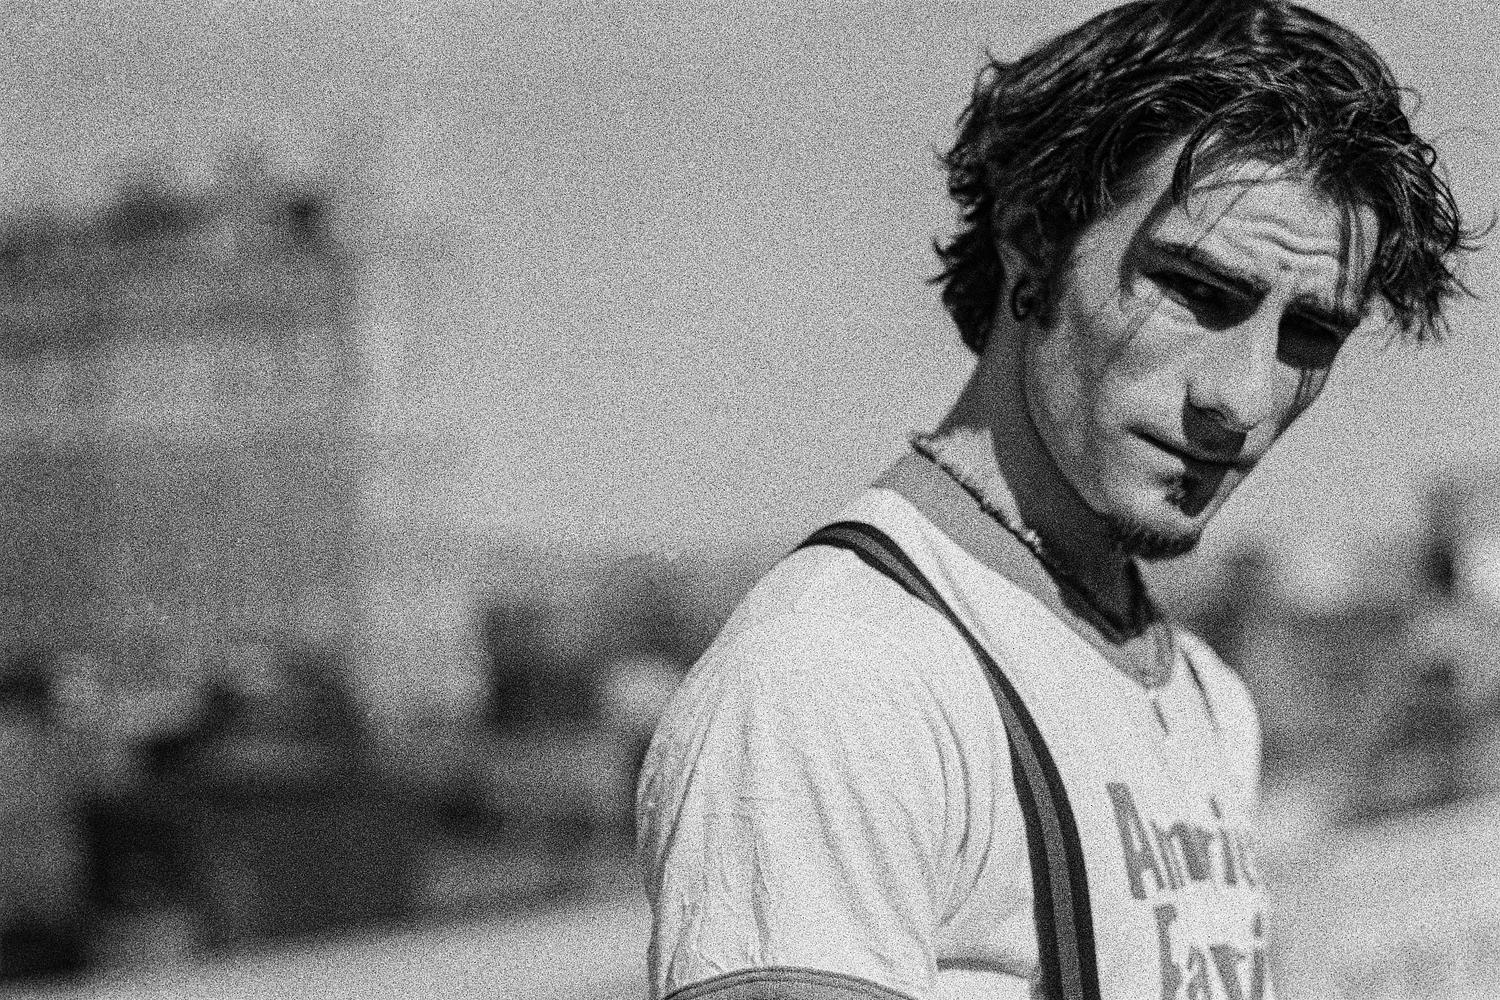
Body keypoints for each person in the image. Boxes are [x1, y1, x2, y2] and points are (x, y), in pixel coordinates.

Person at [636, 2, 1475, 998]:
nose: (1244, 398)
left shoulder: (1204, 697)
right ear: (1033, 239)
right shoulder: (839, 681)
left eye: (1311, 333)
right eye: (1196, 291)